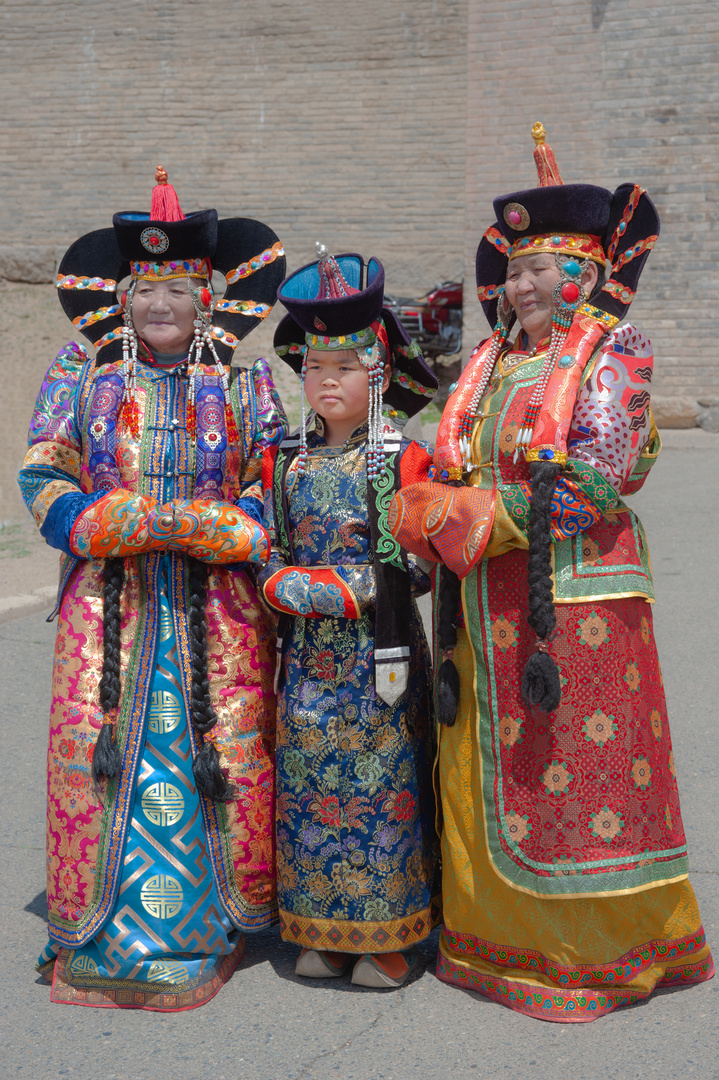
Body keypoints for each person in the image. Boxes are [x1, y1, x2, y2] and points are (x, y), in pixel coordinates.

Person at [389, 125, 714, 1020]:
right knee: (488, 761)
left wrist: (477, 516)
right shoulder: (492, 363)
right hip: (479, 599)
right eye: (515, 270)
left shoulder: (615, 354)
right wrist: (422, 496)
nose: (521, 286)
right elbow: (456, 466)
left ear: (583, 276)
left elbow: (594, 487)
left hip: (572, 600)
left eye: (541, 270)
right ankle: (492, 938)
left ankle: (591, 954)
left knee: (575, 761)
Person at [18, 168, 288, 1010]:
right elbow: (43, 469)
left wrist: (229, 526)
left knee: (221, 749)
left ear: (205, 297)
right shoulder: (84, 368)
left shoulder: (246, 380)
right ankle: (99, 927)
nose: (159, 305)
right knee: (99, 759)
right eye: (145, 289)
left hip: (216, 610)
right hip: (107, 605)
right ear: (123, 297)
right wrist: (105, 522)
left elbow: (269, 474)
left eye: (177, 288)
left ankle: (209, 928)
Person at [252, 246, 440, 988]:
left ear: (380, 373)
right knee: (306, 785)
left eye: (346, 368)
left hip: (379, 659)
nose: (327, 382)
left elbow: (423, 563)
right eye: (316, 369)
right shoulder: (282, 464)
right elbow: (263, 553)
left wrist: (325, 588)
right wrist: (284, 586)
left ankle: (389, 936)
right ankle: (319, 929)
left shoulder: (406, 461)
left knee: (379, 787)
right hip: (305, 665)